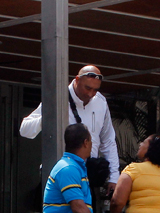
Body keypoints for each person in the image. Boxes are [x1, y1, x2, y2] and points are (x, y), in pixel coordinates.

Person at [19, 66, 120, 195]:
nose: (90, 94)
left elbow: (108, 141)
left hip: (87, 177)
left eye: (95, 90)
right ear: (77, 80)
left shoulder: (100, 102)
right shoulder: (59, 97)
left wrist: (114, 177)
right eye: (87, 88)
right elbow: (25, 129)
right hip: (59, 175)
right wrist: (48, 117)